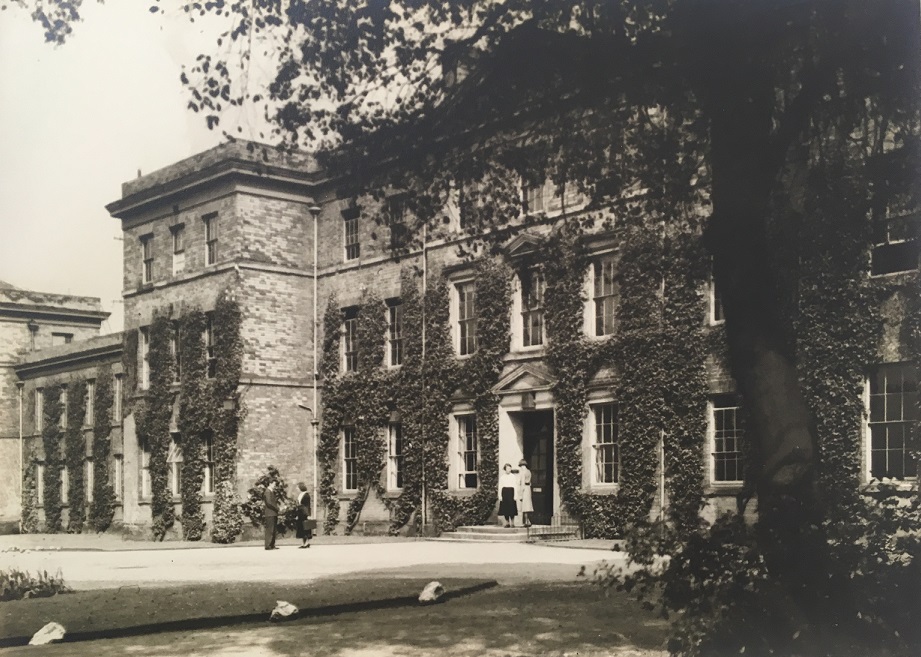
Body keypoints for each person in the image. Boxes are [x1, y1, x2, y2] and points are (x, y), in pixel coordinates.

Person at [498, 463, 518, 528]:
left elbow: (515, 486)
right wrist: (500, 496)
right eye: (507, 468)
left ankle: (512, 523)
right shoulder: (502, 477)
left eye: (510, 468)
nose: (508, 470)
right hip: (505, 493)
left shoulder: (513, 476)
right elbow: (500, 487)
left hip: (511, 492)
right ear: (505, 469)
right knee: (505, 509)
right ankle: (507, 523)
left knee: (512, 508)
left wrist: (515, 496)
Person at [295, 481, 312, 548]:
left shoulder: (306, 495)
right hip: (300, 513)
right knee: (301, 528)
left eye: (297, 487)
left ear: (300, 487)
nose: (296, 488)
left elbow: (307, 506)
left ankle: (307, 542)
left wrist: (308, 514)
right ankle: (303, 542)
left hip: (304, 513)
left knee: (306, 528)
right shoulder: (300, 494)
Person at [263, 480, 280, 550]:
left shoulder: (270, 492)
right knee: (270, 529)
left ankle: (272, 544)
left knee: (273, 529)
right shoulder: (267, 492)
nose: (275, 485)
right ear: (270, 484)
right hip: (270, 513)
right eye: (274, 484)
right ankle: (268, 545)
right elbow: (269, 503)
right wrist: (277, 508)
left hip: (273, 513)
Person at [517, 459, 533, 527]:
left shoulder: (523, 472)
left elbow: (522, 483)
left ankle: (526, 521)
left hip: (524, 489)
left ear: (523, 466)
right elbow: (530, 482)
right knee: (527, 505)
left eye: (521, 466)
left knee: (525, 506)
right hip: (528, 488)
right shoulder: (529, 472)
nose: (521, 467)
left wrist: (520, 495)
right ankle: (528, 520)